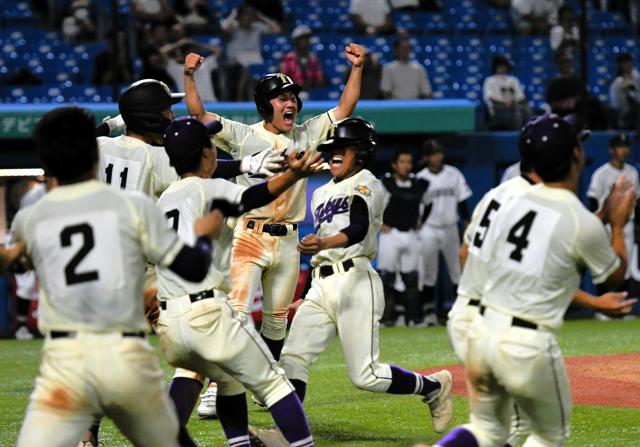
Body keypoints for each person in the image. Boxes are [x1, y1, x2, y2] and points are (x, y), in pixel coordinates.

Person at [12, 106, 227, 447]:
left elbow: (16, 261)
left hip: (64, 363)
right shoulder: (131, 206)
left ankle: (86, 437)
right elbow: (191, 267)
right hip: (122, 356)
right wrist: (205, 236)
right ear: (92, 154)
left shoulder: (33, 217)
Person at [433, 113, 635, 447]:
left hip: (481, 327)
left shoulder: (509, 198)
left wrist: (596, 219)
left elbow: (475, 255)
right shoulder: (574, 215)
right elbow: (615, 277)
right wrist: (615, 223)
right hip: (524, 341)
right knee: (547, 434)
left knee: (487, 430)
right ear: (575, 157)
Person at [182, 42, 365, 366]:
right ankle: (216, 389)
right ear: (267, 105)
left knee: (277, 321)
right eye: (283, 97)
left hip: (288, 240)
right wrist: (188, 76)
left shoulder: (307, 133)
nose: (291, 102)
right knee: (236, 314)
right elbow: (199, 115)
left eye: (293, 97)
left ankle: (265, 385)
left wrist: (357, 67)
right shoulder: (244, 134)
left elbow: (344, 109)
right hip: (249, 235)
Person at [279, 117, 453, 435]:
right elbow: (319, 251)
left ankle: (432, 387)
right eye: (331, 147)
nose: (334, 153)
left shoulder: (368, 181)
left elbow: (358, 229)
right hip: (322, 283)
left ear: (359, 153)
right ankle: (289, 436)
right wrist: (304, 291)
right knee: (292, 359)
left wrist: (325, 242)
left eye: (342, 148)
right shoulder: (320, 193)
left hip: (356, 281)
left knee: (365, 375)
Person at [154, 116, 321, 447]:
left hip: (170, 320)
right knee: (275, 384)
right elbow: (254, 197)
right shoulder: (210, 188)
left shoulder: (164, 199)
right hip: (207, 312)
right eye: (210, 144)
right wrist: (294, 174)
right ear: (206, 153)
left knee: (225, 381)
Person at [417, 140, 471, 324]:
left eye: (439, 152)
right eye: (433, 153)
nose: (437, 156)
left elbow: (462, 200)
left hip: (450, 228)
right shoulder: (420, 178)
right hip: (429, 229)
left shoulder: (453, 174)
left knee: (457, 271)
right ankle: (429, 313)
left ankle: (459, 312)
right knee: (428, 273)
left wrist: (466, 221)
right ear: (426, 157)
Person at [378, 149, 430, 327]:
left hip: (410, 234)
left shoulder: (420, 184)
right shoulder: (385, 183)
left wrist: (420, 222)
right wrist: (379, 224)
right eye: (402, 161)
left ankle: (412, 318)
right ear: (394, 164)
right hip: (390, 234)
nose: (406, 165)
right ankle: (386, 318)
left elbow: (428, 204)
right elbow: (373, 205)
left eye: (408, 161)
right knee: (386, 277)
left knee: (412, 278)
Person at [587, 134, 640, 297]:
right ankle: (603, 305)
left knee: (627, 265)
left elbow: (637, 200)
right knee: (606, 264)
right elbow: (593, 200)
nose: (623, 150)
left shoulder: (632, 173)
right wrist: (598, 224)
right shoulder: (601, 173)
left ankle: (622, 305)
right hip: (608, 226)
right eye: (619, 147)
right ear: (611, 150)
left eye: (626, 146)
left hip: (628, 226)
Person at [221, 3, 281, 101]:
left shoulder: (257, 27)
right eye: (246, 14)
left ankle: (269, 100)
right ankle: (240, 101)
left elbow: (277, 29)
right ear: (239, 16)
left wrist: (261, 16)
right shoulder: (234, 27)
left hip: (254, 58)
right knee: (245, 69)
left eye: (250, 14)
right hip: (236, 61)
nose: (248, 17)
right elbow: (224, 28)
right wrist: (233, 15)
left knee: (272, 69)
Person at [482, 55, 530, 130]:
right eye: (499, 66)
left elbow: (520, 95)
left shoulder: (513, 80)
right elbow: (489, 96)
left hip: (513, 107)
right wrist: (504, 102)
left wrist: (512, 102)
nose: (502, 68)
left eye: (503, 66)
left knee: (523, 107)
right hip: (497, 108)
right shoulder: (489, 80)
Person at [280, 25, 324, 91]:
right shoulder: (288, 58)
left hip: (311, 91)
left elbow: (320, 79)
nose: (306, 42)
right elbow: (283, 79)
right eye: (302, 39)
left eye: (307, 39)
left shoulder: (313, 58)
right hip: (292, 92)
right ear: (296, 41)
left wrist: (313, 84)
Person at [610, 52, 640, 131]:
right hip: (625, 114)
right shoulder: (617, 83)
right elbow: (615, 104)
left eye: (629, 62)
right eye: (625, 63)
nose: (628, 65)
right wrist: (623, 91)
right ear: (621, 65)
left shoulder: (637, 77)